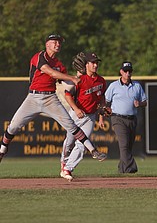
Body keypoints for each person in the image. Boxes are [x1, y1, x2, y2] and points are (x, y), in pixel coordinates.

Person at [0, 34, 107, 164]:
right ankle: (2, 150)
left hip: (50, 98)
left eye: (59, 42)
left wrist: (79, 76)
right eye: (54, 42)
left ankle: (93, 151)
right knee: (13, 126)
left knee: (71, 125)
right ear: (47, 44)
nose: (58, 44)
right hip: (33, 97)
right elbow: (49, 72)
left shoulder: (59, 65)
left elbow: (67, 85)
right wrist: (71, 77)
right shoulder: (40, 56)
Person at [60, 52, 111, 181]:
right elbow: (67, 95)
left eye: (97, 62)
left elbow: (102, 98)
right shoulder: (80, 80)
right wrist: (76, 109)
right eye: (93, 62)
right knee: (69, 142)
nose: (95, 65)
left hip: (90, 116)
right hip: (77, 114)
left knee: (82, 144)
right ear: (86, 64)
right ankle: (63, 163)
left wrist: (102, 110)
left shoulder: (101, 81)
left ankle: (68, 169)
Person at [102, 61, 147, 173]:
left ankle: (122, 170)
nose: (128, 73)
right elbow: (105, 103)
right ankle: (132, 167)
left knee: (128, 146)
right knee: (124, 144)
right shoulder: (113, 86)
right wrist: (101, 117)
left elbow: (145, 102)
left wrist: (139, 104)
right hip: (118, 118)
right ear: (121, 72)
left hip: (132, 119)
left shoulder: (136, 86)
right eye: (125, 71)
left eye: (130, 71)